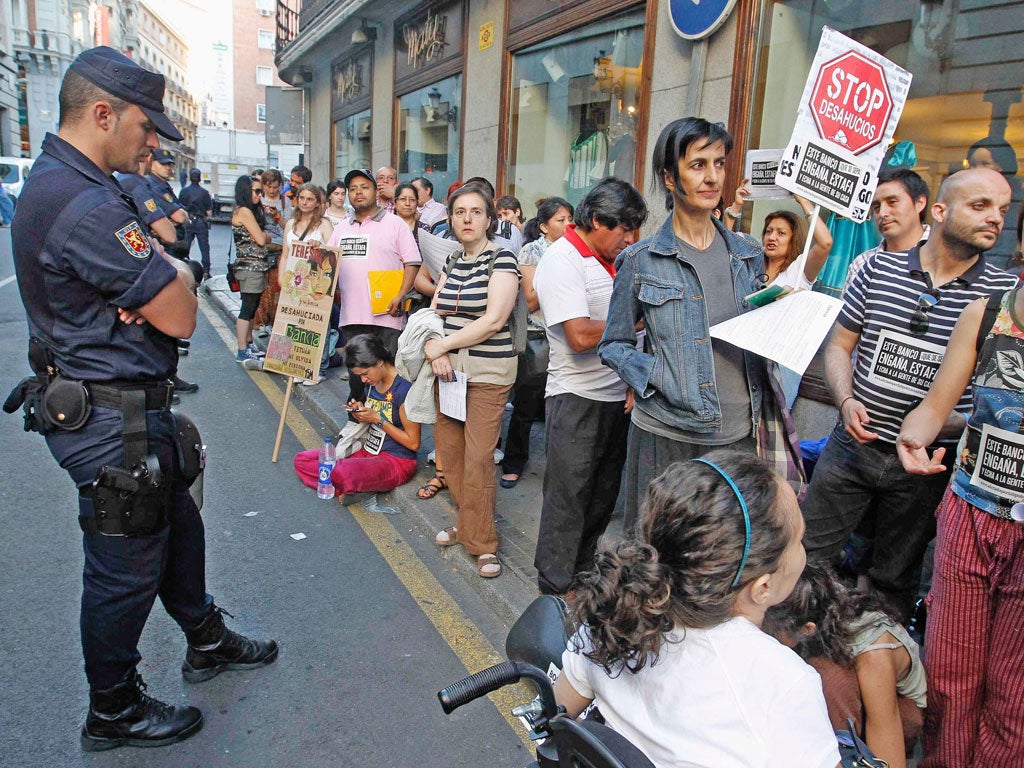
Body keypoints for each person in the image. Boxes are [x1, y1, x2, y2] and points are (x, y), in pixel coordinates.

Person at [7, 46, 276, 752]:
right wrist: (165, 280)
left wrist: (164, 275)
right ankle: (114, 709)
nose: (152, 140)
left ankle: (205, 638)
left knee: (176, 526)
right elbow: (182, 314)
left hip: (123, 407)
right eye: (144, 125)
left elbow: (170, 274)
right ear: (102, 113)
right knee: (123, 568)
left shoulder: (80, 184)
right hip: (109, 418)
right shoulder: (85, 202)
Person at [800, 168, 1019, 621]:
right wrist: (844, 401)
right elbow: (839, 346)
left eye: (1002, 209)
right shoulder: (878, 268)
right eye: (980, 206)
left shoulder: (1003, 296)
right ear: (938, 211)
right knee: (806, 558)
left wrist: (933, 430)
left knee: (893, 582)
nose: (995, 218)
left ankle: (875, 675)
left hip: (928, 464)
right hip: (851, 447)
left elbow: (993, 402)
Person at [555, 452, 840, 768]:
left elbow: (557, 715)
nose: (804, 548)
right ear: (763, 588)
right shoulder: (784, 683)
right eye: (799, 539)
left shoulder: (617, 612)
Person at [599, 117, 804, 530]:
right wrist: (657, 376)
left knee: (722, 556)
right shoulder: (642, 260)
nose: (713, 177)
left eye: (719, 163)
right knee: (655, 552)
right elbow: (613, 344)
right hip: (666, 433)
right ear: (669, 178)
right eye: (698, 165)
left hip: (740, 435)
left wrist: (783, 316)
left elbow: (753, 327)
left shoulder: (746, 252)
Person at [896, 206, 1023, 767]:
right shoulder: (988, 311)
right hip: (969, 514)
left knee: (1013, 693)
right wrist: (911, 439)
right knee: (949, 676)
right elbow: (939, 399)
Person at [531, 183, 647, 595]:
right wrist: (636, 324)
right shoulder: (562, 261)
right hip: (576, 399)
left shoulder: (615, 260)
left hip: (617, 400)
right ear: (597, 221)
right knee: (568, 500)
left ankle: (580, 577)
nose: (631, 239)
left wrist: (633, 378)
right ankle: (554, 588)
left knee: (601, 499)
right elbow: (579, 335)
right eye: (624, 229)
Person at [426, 184, 521, 579]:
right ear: (450, 219)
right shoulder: (450, 262)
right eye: (460, 212)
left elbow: (495, 319)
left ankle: (483, 544)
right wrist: (439, 348)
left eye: (476, 212)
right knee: (451, 456)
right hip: (448, 373)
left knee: (480, 457)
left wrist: (443, 343)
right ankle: (467, 526)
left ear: (489, 219)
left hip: (487, 375)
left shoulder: (502, 260)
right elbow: (434, 313)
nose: (467, 219)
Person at [763, 562, 925, 768]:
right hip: (857, 702)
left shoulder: (873, 652)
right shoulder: (820, 607)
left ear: (806, 629)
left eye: (772, 633)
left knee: (827, 679)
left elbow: (888, 749)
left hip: (901, 717)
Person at [327, 168, 421, 403]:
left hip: (387, 315)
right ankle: (358, 426)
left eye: (364, 187)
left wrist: (401, 295)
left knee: (386, 378)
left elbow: (412, 262)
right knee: (357, 379)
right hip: (352, 317)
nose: (358, 193)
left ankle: (388, 431)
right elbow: (327, 263)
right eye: (353, 189)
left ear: (375, 191)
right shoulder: (341, 227)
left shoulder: (395, 224)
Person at [499, 196, 574, 488]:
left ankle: (562, 471)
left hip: (570, 338)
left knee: (565, 410)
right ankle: (514, 462)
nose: (568, 225)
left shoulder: (578, 252)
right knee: (526, 407)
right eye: (561, 220)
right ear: (544, 226)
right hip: (539, 339)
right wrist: (561, 280)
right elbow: (529, 300)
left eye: (570, 219)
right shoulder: (532, 251)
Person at [293, 334, 420, 499]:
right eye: (359, 375)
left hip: (395, 461)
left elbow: (414, 442)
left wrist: (378, 420)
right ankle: (356, 485)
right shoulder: (371, 385)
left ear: (380, 361)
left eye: (365, 373)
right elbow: (371, 416)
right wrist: (360, 412)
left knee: (341, 471)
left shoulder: (403, 389)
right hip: (367, 451)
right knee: (302, 460)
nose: (363, 379)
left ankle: (351, 484)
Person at [281, 183, 336, 385]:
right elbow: (285, 255)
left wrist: (320, 247)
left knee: (318, 326)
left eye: (309, 199)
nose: (304, 202)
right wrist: (281, 280)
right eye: (301, 198)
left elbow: (333, 254)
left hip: (317, 285)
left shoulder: (324, 225)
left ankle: (318, 369)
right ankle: (299, 366)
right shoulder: (290, 224)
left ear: (318, 202)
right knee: (295, 325)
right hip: (294, 283)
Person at [846, 168, 931, 288]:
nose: (882, 213)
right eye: (876, 207)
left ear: (919, 203)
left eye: (892, 202)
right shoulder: (863, 263)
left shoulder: (943, 257)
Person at [231, 174, 274, 367]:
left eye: (260, 191)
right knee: (247, 308)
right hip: (249, 267)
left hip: (256, 266)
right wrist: (264, 235)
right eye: (256, 191)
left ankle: (248, 344)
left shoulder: (251, 211)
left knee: (252, 306)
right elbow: (262, 239)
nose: (259, 195)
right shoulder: (244, 212)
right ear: (245, 192)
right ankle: (242, 349)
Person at [178, 168, 213, 277]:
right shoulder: (204, 192)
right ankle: (206, 270)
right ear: (199, 178)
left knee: (185, 245)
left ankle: (183, 266)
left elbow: (179, 208)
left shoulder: (184, 191)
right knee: (204, 247)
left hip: (188, 221)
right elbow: (209, 211)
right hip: (201, 222)